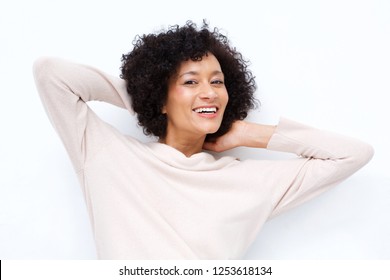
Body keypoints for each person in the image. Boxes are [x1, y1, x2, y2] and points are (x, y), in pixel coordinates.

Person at [33, 21, 374, 259]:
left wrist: (249, 133)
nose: (209, 93)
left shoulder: (249, 181)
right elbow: (50, 73)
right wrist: (147, 95)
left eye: (217, 82)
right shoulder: (106, 155)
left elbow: (354, 155)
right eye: (191, 82)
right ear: (161, 95)